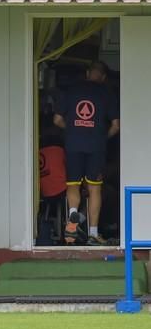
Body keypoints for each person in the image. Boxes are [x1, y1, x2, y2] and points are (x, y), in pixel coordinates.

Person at [54, 61, 120, 245]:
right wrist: (101, 137)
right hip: (96, 146)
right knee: (94, 187)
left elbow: (58, 119)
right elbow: (116, 125)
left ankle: (73, 217)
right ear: (104, 77)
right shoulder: (107, 93)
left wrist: (73, 131)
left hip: (73, 144)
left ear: (87, 73)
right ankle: (92, 233)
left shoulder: (71, 91)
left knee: (73, 185)